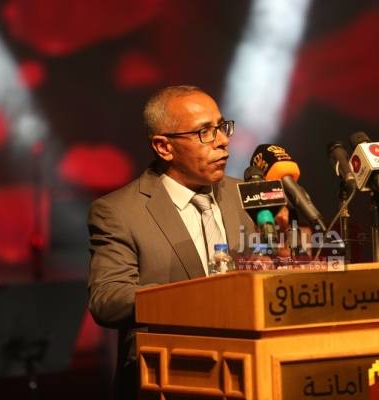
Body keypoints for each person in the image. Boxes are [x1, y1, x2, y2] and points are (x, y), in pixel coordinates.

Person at [87, 85, 258, 399]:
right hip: (168, 378)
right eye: (204, 132)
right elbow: (107, 300)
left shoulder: (246, 196)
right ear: (164, 147)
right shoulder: (119, 212)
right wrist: (190, 297)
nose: (222, 140)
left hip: (251, 373)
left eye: (222, 127)